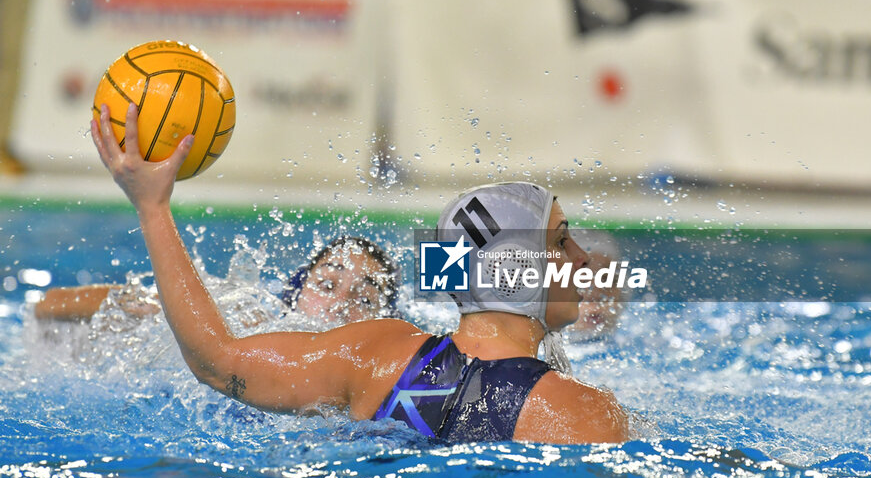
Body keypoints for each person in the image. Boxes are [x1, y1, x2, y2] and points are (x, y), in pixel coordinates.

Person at [89, 103, 629, 444]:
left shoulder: (374, 353)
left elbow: (215, 360)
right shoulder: (583, 412)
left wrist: (153, 209)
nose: (583, 258)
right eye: (560, 239)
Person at [33, 235, 400, 328]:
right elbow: (48, 305)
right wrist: (143, 307)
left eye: (365, 301)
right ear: (296, 293)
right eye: (327, 285)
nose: (338, 307)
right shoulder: (245, 321)